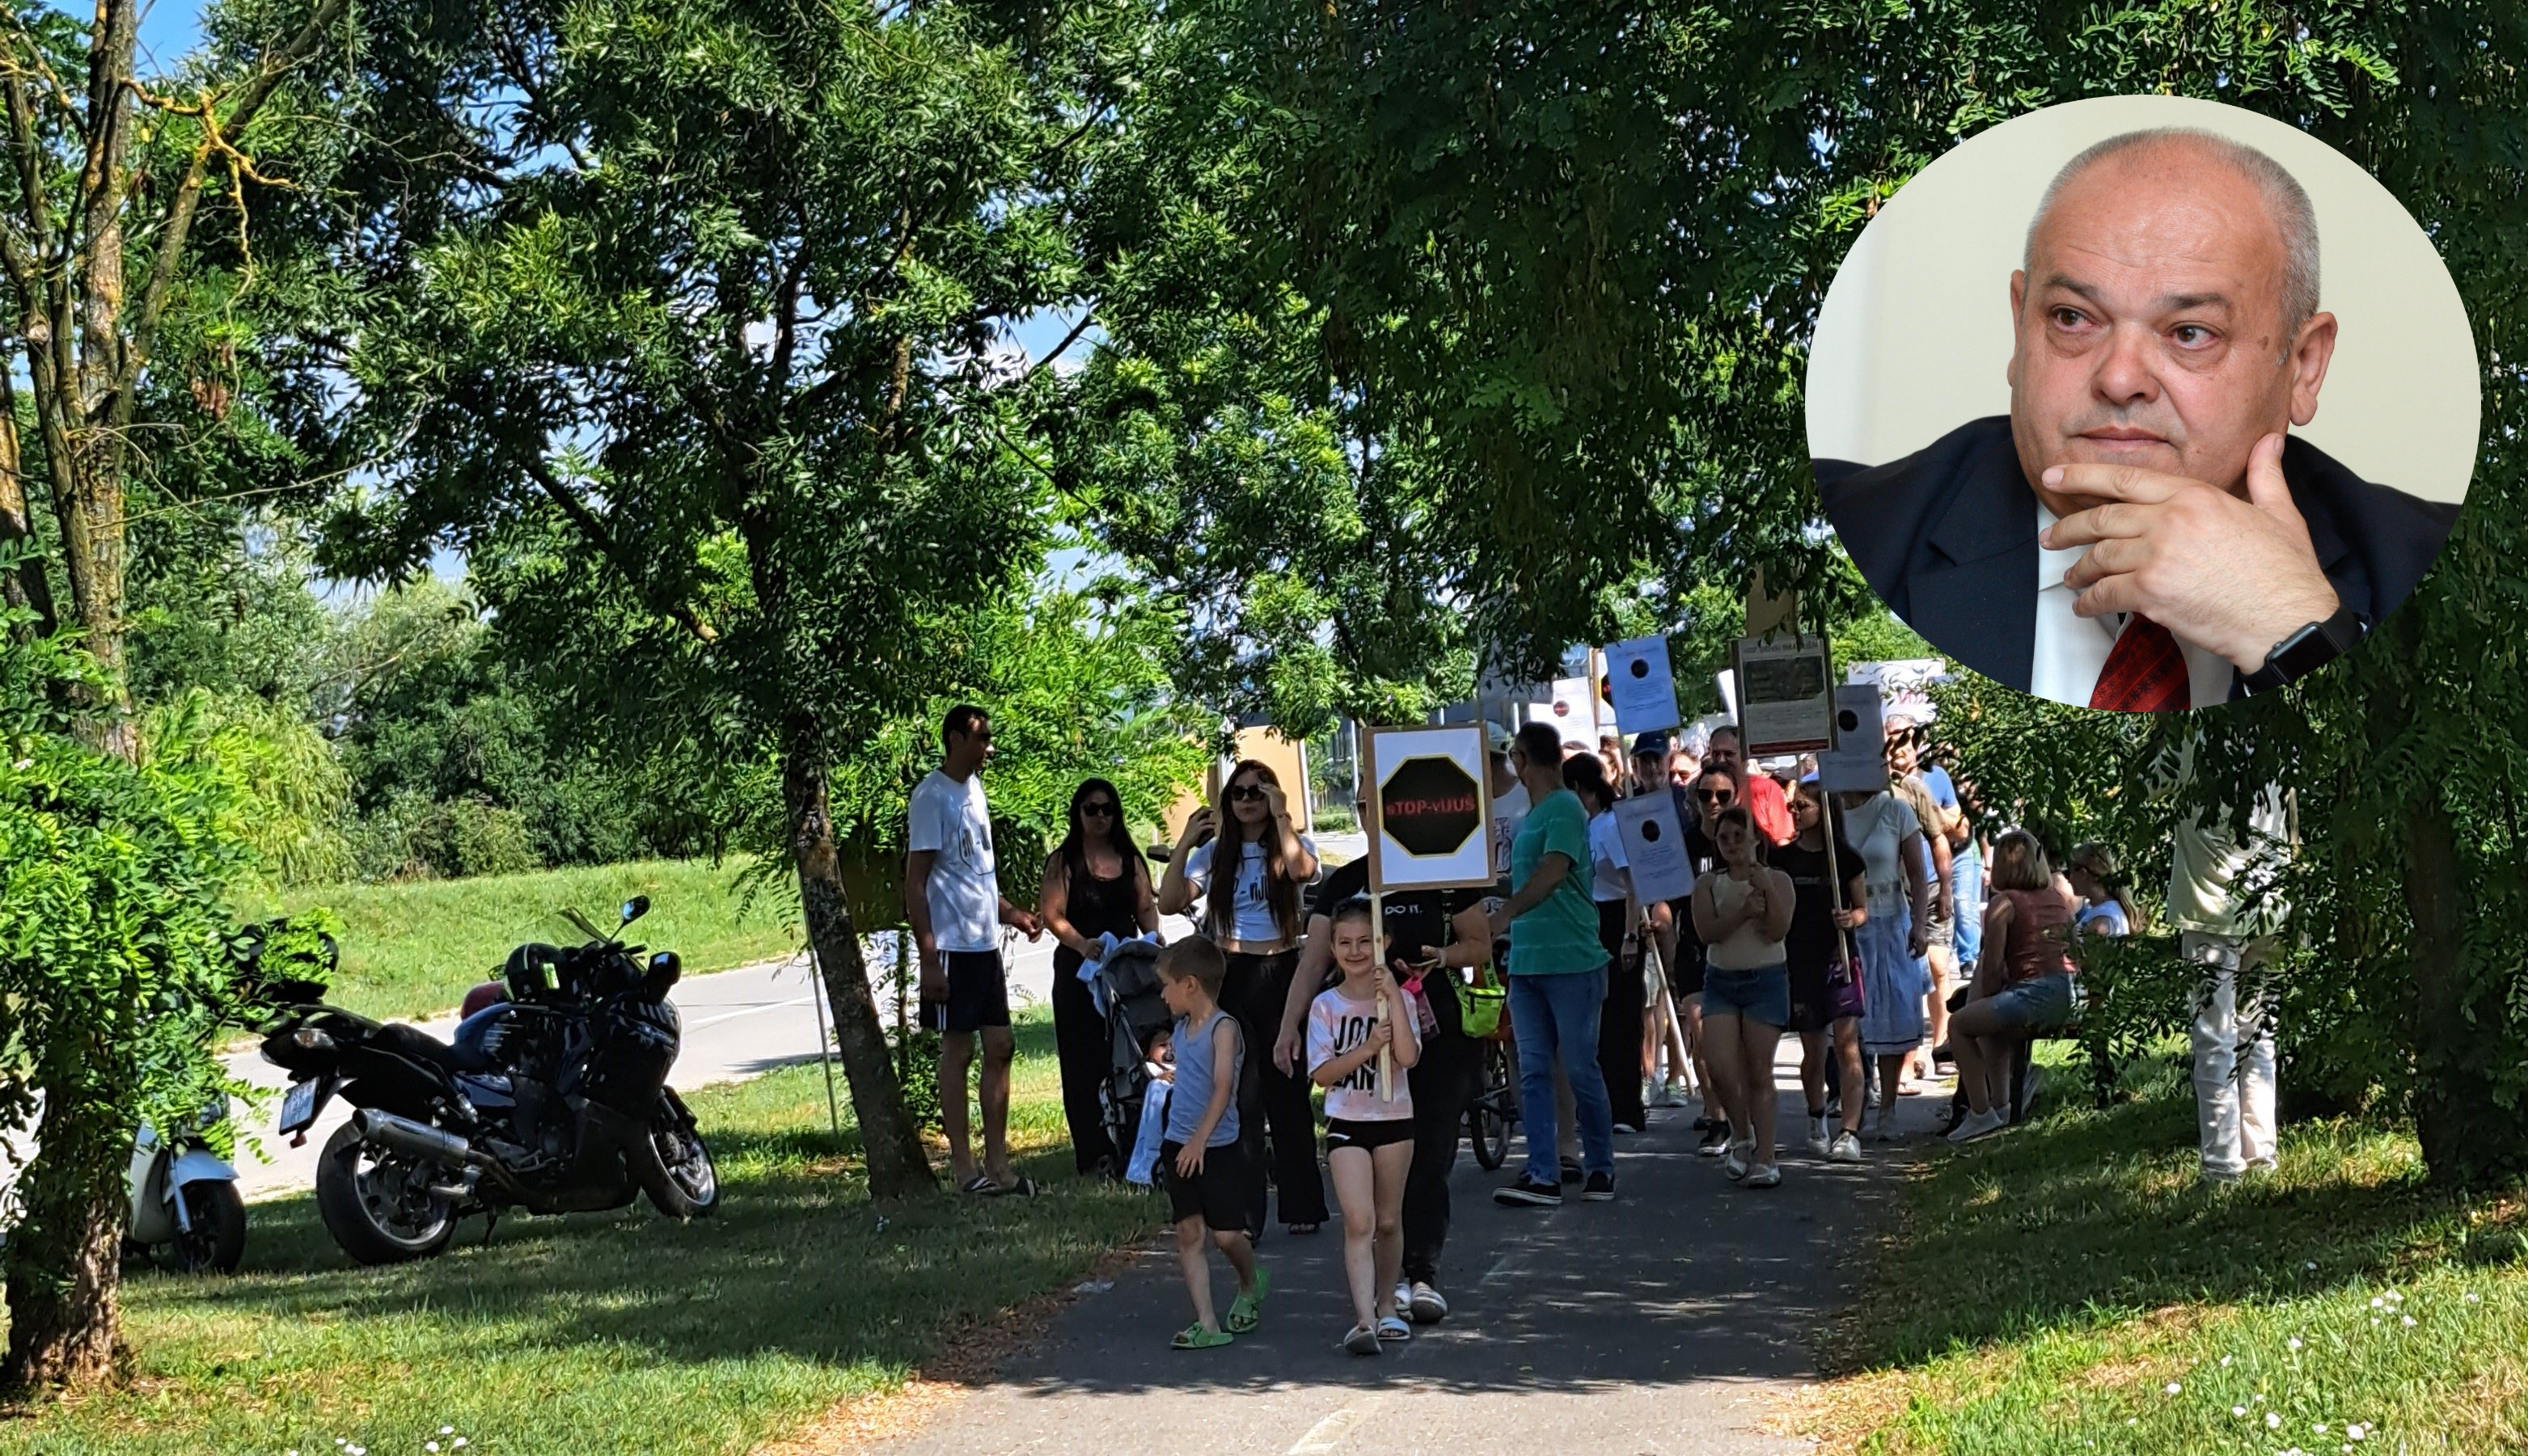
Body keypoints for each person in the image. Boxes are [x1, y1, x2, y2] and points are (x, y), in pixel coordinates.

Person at [1815, 128, 2458, 708]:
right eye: (2072, 318)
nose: (2120, 378)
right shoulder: (1855, 525)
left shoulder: (2425, 561)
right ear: (2020, 326)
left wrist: (2298, 627)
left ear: (2305, 366)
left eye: (2189, 332)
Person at [1277, 797, 1491, 1327]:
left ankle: (1423, 1273)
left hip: (1432, 1026)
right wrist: (1289, 1026)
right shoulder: (1346, 881)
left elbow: (1478, 944)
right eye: (1369, 806)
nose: (1381, 816)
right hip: (1361, 1031)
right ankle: (1383, 1284)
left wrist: (1439, 957)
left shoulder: (1441, 877)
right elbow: (1314, 960)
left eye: (1390, 806)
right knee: (1372, 1155)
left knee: (1431, 1150)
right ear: (1362, 812)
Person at [1158, 761, 1327, 1234]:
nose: (1248, 799)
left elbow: (1302, 871)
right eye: (1239, 793)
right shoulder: (1216, 854)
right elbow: (1169, 902)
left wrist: (1282, 817)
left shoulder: (1289, 839)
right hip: (1231, 973)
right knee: (1240, 1096)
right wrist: (1185, 844)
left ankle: (1302, 1207)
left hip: (1282, 970)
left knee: (1287, 1090)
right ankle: (1246, 1214)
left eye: (1258, 791)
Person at [905, 704, 1044, 1196]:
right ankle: (965, 1170)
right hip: (950, 947)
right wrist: (928, 957)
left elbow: (975, 875)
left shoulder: (976, 791)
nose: (990, 747)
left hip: (984, 943)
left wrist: (1011, 913)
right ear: (954, 739)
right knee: (958, 1051)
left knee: (1001, 1045)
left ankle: (999, 1163)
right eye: (982, 738)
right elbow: (916, 883)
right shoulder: (930, 797)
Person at [1488, 724, 1618, 1207]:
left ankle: (1601, 1166)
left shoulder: (1563, 807)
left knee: (1581, 1067)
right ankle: (1543, 1171)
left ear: (1523, 760)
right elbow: (1524, 878)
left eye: (1514, 759)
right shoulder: (1537, 812)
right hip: (1527, 960)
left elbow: (1554, 870)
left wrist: (1506, 912)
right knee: (1535, 1070)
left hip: (1572, 959)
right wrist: (1490, 895)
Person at [2162, 745, 2292, 1184]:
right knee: (2259, 1035)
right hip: (2270, 905)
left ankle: (2222, 1166)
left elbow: (2151, 785)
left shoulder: (2190, 739)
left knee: (2215, 1039)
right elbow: (2294, 827)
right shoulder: (2278, 739)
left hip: (2211, 908)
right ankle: (2261, 1154)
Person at [1307, 899, 1423, 1355]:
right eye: (1344, 943)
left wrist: (1394, 994)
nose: (1355, 952)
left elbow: (1409, 1058)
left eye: (1365, 942)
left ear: (1383, 943)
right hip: (1346, 1121)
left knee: (1389, 1220)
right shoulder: (1324, 1006)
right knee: (1360, 1220)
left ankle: (1388, 1305)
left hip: (1395, 1119)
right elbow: (1322, 1075)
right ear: (1333, 948)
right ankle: (1364, 1319)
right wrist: (1368, 1046)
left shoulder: (1401, 998)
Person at [1039, 779, 1162, 1177]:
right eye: (1091, 809)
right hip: (1079, 970)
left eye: (1107, 808)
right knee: (1082, 1061)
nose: (1100, 816)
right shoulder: (1065, 861)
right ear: (1078, 813)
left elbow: (1146, 909)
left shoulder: (1130, 858)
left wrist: (1154, 944)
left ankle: (1132, 1139)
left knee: (1130, 1053)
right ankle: (1092, 1155)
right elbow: (1053, 915)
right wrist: (1081, 943)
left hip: (1125, 971)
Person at [1154, 937, 1267, 1349]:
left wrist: (1200, 1141)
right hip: (1177, 1142)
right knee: (1188, 1232)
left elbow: (1223, 1088)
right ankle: (1207, 1322)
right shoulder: (1182, 1031)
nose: (1163, 995)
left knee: (1226, 1236)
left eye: (1166, 985)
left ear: (1189, 985)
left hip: (1216, 1146)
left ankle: (1250, 1281)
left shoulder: (1224, 1029)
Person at [1947, 831, 2080, 1143]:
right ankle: (2002, 1107)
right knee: (1993, 1026)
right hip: (2064, 993)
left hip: (2032, 996)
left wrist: (1982, 996)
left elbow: (1992, 969)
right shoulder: (2057, 899)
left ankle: (1980, 1113)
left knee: (1960, 1025)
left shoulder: (2003, 904)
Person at [1690, 805, 1797, 1187]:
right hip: (1721, 980)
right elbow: (1708, 932)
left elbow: (1778, 930)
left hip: (1765, 981)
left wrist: (1764, 889)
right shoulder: (1708, 884)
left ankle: (1766, 1158)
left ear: (1756, 838)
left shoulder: (1778, 879)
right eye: (1724, 838)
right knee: (1718, 1065)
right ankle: (1740, 1133)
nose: (1733, 844)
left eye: (1740, 836)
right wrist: (1741, 910)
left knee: (1758, 1071)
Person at [1839, 780, 1935, 1138]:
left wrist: (1922, 925)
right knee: (1852, 1016)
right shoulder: (1833, 811)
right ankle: (1857, 1100)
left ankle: (1889, 1107)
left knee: (1894, 1009)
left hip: (1892, 919)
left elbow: (1917, 875)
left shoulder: (1896, 809)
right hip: (1849, 923)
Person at [1781, 779, 1870, 1162]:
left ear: (1823, 810)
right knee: (1813, 1051)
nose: (1795, 812)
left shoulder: (1846, 858)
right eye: (1792, 807)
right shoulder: (1781, 859)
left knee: (1847, 1045)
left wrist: (1851, 918)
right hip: (1801, 961)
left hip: (1840, 958)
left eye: (1802, 806)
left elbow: (1864, 909)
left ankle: (1850, 1130)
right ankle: (1816, 1115)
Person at [1569, 754, 1650, 1133]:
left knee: (1622, 1016)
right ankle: (1598, 1105)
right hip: (1591, 917)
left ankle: (1627, 1106)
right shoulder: (1585, 825)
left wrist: (1631, 935)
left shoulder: (1610, 825)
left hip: (1618, 917)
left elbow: (1632, 883)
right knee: (1595, 1019)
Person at [1883, 718, 1956, 1083]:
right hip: (1893, 896)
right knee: (1911, 975)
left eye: (1906, 743)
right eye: (1893, 744)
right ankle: (1908, 1057)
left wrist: (1945, 888)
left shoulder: (1919, 786)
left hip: (1927, 887)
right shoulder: (1870, 789)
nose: (1899, 750)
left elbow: (1941, 836)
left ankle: (1941, 1044)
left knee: (1939, 967)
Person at [1706, 724, 1793, 846]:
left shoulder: (1766, 789)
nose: (1721, 760)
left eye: (1728, 754)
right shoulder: (1704, 793)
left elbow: (1782, 839)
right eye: (1716, 754)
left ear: (1745, 754)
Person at [2066, 841, 2141, 939]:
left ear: (2083, 873)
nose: (2070, 879)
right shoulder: (2104, 909)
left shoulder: (2102, 920)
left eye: (2072, 871)